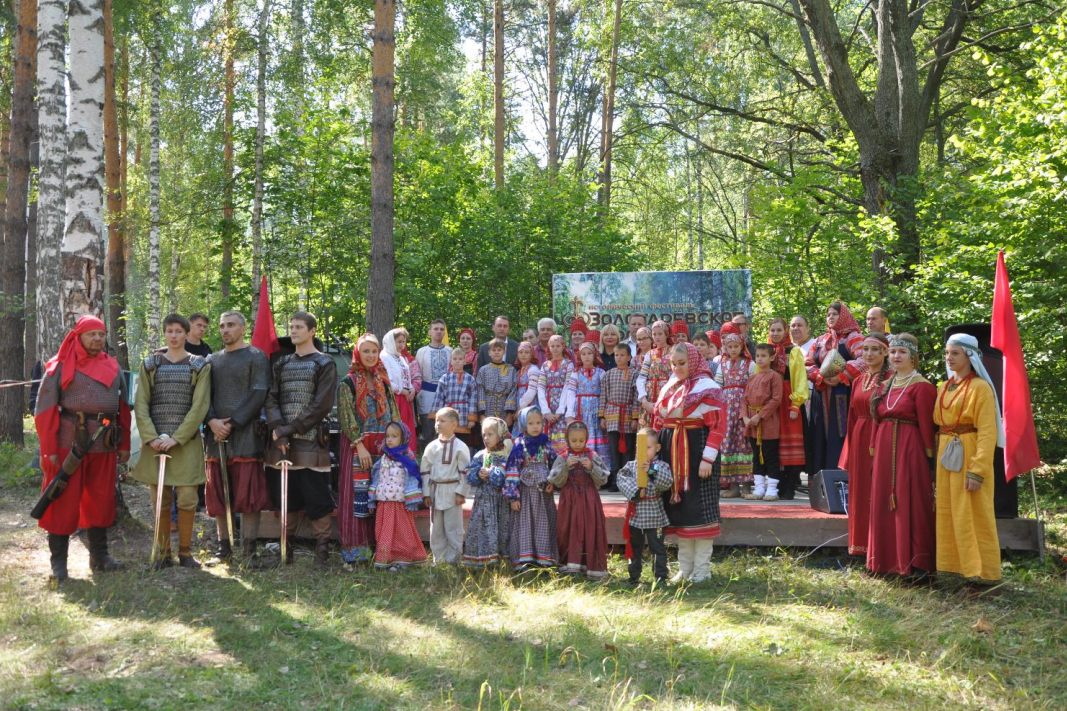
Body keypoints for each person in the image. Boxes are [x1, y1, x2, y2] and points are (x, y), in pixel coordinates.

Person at [34, 315, 131, 581]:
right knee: (62, 502)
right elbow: (44, 410)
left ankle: (100, 558)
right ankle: (59, 565)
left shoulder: (112, 366)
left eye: (101, 334)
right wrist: (48, 448)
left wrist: (124, 444)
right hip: (69, 442)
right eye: (92, 334)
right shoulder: (60, 366)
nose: (98, 339)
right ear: (79, 336)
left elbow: (123, 408)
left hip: (104, 441)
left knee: (101, 500)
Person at [131, 313, 212, 569]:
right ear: (164, 334)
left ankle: (186, 552)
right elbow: (141, 403)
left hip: (185, 443)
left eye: (179, 331)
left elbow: (199, 406)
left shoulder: (199, 365)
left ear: (187, 334)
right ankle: (163, 553)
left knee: (188, 498)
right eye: (170, 331)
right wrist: (151, 437)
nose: (174, 335)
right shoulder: (151, 364)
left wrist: (177, 438)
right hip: (155, 444)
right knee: (160, 500)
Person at [264, 312, 337, 567]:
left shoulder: (324, 363)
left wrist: (289, 429)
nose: (293, 331)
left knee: (316, 495)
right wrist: (277, 428)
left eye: (298, 327)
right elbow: (271, 396)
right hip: (282, 441)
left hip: (310, 438)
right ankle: (287, 548)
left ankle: (322, 551)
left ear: (312, 331)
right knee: (288, 496)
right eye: (292, 326)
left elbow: (321, 405)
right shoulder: (282, 363)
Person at [934, 333, 1004, 585]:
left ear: (969, 356)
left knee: (974, 514)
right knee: (949, 512)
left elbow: (987, 432)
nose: (949, 358)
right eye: (947, 353)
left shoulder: (981, 388)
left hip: (970, 455)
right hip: (947, 456)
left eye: (955, 353)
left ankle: (982, 575)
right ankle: (953, 572)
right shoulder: (944, 387)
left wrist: (978, 470)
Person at [652, 343, 726, 583]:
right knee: (680, 509)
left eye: (682, 363)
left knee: (701, 511)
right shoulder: (669, 387)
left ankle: (702, 569)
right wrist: (652, 453)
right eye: (673, 363)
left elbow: (718, 427)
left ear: (693, 361)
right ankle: (685, 568)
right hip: (672, 453)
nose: (677, 368)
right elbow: (658, 421)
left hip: (697, 453)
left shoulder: (709, 388)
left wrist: (707, 459)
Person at [203, 310, 272, 565]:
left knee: (249, 495)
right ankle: (224, 548)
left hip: (246, 434)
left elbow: (259, 392)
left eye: (230, 325)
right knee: (219, 493)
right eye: (222, 326)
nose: (225, 330)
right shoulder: (212, 360)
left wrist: (232, 423)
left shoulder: (256, 357)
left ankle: (249, 550)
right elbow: (203, 395)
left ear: (243, 328)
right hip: (215, 435)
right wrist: (212, 421)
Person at [867, 333, 936, 577]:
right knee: (882, 501)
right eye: (893, 352)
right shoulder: (884, 385)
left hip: (910, 448)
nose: (896, 356)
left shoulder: (922, 386)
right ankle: (883, 562)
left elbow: (927, 424)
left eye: (902, 352)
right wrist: (874, 446)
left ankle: (914, 564)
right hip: (885, 449)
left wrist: (929, 456)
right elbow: (876, 419)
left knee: (911, 500)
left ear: (913, 357)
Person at [338, 334, 400, 566]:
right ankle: (357, 549)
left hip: (384, 446)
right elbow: (346, 417)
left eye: (374, 351)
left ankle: (382, 546)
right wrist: (359, 445)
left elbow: (394, 415)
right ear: (357, 354)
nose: (371, 356)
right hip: (359, 446)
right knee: (358, 495)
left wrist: (396, 445)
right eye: (366, 351)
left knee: (383, 493)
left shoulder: (384, 382)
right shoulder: (348, 383)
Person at [842, 332, 891, 556]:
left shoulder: (892, 378)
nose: (868, 354)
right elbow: (852, 418)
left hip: (880, 436)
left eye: (874, 350)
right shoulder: (859, 380)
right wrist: (848, 453)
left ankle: (879, 549)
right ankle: (859, 547)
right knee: (859, 492)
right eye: (865, 350)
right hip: (860, 437)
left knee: (877, 490)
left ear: (885, 353)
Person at [805, 301, 864, 475]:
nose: (830, 317)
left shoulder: (853, 337)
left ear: (844, 316)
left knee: (840, 433)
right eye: (828, 314)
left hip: (843, 394)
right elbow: (808, 363)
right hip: (821, 391)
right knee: (819, 434)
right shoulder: (821, 340)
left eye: (835, 314)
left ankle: (841, 477)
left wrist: (841, 375)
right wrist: (821, 376)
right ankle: (820, 480)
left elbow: (863, 360)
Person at [548, 420, 609, 579]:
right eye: (574, 441)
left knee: (590, 528)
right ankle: (570, 566)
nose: (577, 444)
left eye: (581, 440)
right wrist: (565, 467)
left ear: (587, 438)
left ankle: (591, 566)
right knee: (568, 529)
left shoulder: (592, 455)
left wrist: (591, 468)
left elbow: (603, 479)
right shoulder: (562, 457)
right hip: (569, 501)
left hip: (589, 500)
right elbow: (556, 481)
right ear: (567, 439)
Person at [503, 406, 559, 571]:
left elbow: (556, 464)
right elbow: (512, 470)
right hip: (526, 494)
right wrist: (513, 497)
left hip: (543, 494)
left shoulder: (546, 442)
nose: (535, 426)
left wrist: (553, 482)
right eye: (531, 423)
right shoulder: (519, 445)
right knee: (525, 523)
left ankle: (544, 558)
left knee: (544, 522)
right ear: (523, 424)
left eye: (538, 422)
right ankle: (524, 559)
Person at [616, 427, 674, 584]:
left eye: (648, 448)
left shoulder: (661, 466)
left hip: (655, 514)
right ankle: (633, 577)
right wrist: (635, 492)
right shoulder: (631, 465)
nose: (643, 451)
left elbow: (667, 482)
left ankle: (660, 577)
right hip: (636, 516)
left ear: (657, 448)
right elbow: (621, 478)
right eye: (640, 447)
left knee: (658, 548)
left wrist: (651, 471)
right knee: (635, 549)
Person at [367, 421, 428, 570]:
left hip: (400, 503)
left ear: (403, 438)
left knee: (402, 532)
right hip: (384, 503)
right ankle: (386, 559)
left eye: (394, 436)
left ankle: (404, 559)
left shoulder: (408, 458)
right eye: (387, 436)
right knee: (385, 532)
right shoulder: (383, 458)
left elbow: (414, 478)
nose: (389, 439)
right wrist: (371, 499)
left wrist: (413, 499)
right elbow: (376, 478)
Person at [421, 407, 471, 565]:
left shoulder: (461, 447)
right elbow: (425, 470)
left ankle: (454, 560)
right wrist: (426, 493)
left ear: (454, 424)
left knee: (453, 527)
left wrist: (461, 493)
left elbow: (465, 472)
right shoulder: (431, 447)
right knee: (436, 528)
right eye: (436, 420)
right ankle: (439, 560)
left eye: (442, 420)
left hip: (452, 491)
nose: (437, 424)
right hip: (436, 492)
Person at [461, 417, 513, 568]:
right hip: (484, 502)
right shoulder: (480, 455)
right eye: (484, 434)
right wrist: (478, 474)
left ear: (501, 435)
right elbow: (469, 476)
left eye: (491, 434)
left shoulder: (507, 455)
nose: (486, 438)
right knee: (483, 528)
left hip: (501, 502)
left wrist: (492, 473)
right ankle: (482, 561)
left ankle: (502, 562)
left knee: (502, 529)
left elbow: (507, 477)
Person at [767, 318, 808, 500]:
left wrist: (796, 403)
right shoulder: (765, 351)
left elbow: (799, 378)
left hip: (788, 398)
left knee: (790, 443)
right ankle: (775, 484)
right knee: (772, 443)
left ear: (785, 331)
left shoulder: (794, 351)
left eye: (778, 330)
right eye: (772, 330)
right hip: (770, 401)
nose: (775, 333)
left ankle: (790, 486)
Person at [717, 326, 756, 498]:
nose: (732, 350)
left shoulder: (750, 363)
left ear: (742, 347)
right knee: (728, 442)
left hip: (743, 407)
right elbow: (717, 385)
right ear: (725, 347)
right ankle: (733, 486)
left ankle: (746, 486)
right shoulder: (722, 364)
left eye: (736, 346)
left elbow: (754, 385)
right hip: (726, 408)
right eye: (729, 346)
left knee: (744, 442)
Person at [743, 344, 784, 500]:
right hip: (752, 423)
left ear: (771, 358)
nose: (760, 359)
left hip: (768, 422)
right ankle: (759, 488)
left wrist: (760, 416)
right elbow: (744, 400)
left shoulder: (775, 377)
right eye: (758, 355)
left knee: (770, 455)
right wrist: (745, 417)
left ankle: (772, 489)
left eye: (763, 356)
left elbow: (776, 399)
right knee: (756, 455)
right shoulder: (752, 377)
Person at [599, 342, 639, 489]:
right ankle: (615, 480)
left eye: (622, 355)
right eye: (617, 355)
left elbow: (636, 397)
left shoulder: (635, 374)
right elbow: (603, 396)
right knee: (613, 448)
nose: (619, 358)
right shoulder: (608, 374)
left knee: (628, 448)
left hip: (627, 414)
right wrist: (602, 416)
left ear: (629, 357)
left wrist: (635, 417)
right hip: (612, 415)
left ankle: (626, 481)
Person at [564, 341, 610, 462]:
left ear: (595, 355)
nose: (587, 356)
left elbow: (605, 393)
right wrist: (570, 414)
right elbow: (570, 393)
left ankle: (599, 467)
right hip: (581, 411)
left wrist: (603, 414)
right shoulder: (576, 373)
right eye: (583, 354)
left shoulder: (601, 373)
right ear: (579, 356)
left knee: (597, 434)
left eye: (589, 353)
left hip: (596, 412)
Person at [432, 348, 480, 450]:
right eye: (455, 359)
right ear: (451, 361)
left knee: (463, 443)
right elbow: (439, 397)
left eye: (460, 359)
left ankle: (463, 462)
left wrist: (471, 419)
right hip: (448, 413)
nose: (457, 361)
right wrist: (437, 417)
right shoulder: (444, 378)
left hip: (464, 414)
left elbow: (473, 399)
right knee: (446, 440)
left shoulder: (470, 379)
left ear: (465, 361)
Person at [415, 319, 452, 444]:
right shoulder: (422, 352)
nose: (439, 331)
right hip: (426, 396)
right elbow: (416, 375)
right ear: (430, 332)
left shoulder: (450, 351)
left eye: (442, 329)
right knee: (428, 432)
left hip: (445, 396)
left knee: (445, 431)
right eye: (436, 329)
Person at [537, 334, 575, 455]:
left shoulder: (569, 364)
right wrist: (545, 410)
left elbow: (567, 386)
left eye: (558, 345)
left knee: (562, 436)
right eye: (552, 346)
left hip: (562, 405)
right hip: (548, 405)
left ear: (563, 346)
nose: (555, 348)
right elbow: (541, 387)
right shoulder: (544, 365)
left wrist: (560, 410)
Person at [381, 328, 419, 449]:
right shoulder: (384, 356)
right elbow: (387, 380)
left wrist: (411, 388)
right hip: (394, 399)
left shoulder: (401, 358)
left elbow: (407, 377)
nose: (402, 345)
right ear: (391, 341)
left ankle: (408, 456)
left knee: (407, 428)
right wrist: (401, 390)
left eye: (403, 342)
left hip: (405, 399)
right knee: (396, 428)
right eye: (399, 342)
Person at [636, 321, 671, 423]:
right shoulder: (650, 354)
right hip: (649, 397)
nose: (657, 337)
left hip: (667, 395)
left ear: (666, 334)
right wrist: (644, 400)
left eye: (660, 334)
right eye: (654, 334)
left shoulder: (673, 351)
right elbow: (641, 377)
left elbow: (675, 376)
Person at [476, 338, 518, 426]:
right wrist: (482, 414)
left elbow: (513, 390)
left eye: (499, 350)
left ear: (504, 351)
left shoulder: (510, 369)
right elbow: (480, 390)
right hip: (488, 407)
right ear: (489, 352)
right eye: (493, 350)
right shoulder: (483, 370)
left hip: (504, 408)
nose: (496, 352)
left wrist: (509, 414)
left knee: (503, 435)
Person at [512, 341, 542, 436]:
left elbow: (532, 391)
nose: (523, 355)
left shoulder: (533, 369)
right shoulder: (519, 371)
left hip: (529, 404)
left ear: (531, 354)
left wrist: (520, 408)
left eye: (526, 352)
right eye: (521, 352)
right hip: (520, 403)